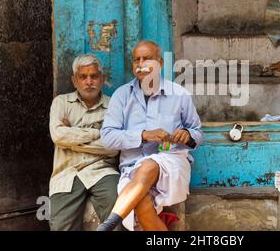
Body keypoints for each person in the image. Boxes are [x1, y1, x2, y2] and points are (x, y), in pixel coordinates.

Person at [97, 40, 202, 231]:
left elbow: (197, 132)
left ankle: (107, 225)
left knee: (149, 165)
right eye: (137, 60)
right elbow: (108, 138)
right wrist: (144, 135)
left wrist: (186, 135)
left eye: (147, 59)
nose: (141, 64)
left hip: (171, 163)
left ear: (160, 63)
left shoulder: (179, 94)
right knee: (141, 204)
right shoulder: (121, 96)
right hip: (131, 167)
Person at [48, 54, 120, 231]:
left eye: (94, 76)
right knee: (60, 227)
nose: (89, 82)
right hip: (67, 173)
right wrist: (98, 133)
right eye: (83, 77)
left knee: (118, 216)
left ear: (102, 79)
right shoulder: (61, 103)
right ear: (74, 80)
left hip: (102, 171)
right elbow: (58, 136)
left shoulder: (114, 106)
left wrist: (71, 139)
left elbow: (113, 147)